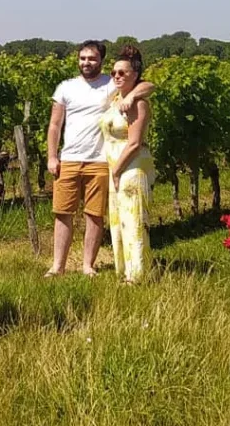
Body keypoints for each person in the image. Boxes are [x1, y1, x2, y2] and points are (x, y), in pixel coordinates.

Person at [45, 40, 153, 276]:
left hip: (101, 161)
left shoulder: (111, 83)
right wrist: (52, 156)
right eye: (82, 58)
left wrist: (132, 96)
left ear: (101, 61)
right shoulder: (65, 87)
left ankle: (87, 266)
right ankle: (58, 266)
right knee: (63, 213)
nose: (86, 62)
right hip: (69, 158)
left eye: (92, 58)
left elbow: (148, 85)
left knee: (94, 215)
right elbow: (54, 125)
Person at [101, 46, 155, 283]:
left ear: (135, 74)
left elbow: (134, 143)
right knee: (118, 221)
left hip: (130, 167)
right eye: (114, 73)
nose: (117, 77)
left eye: (123, 73)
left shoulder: (137, 103)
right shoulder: (115, 100)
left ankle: (138, 275)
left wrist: (117, 169)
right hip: (116, 169)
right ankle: (124, 271)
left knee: (133, 221)